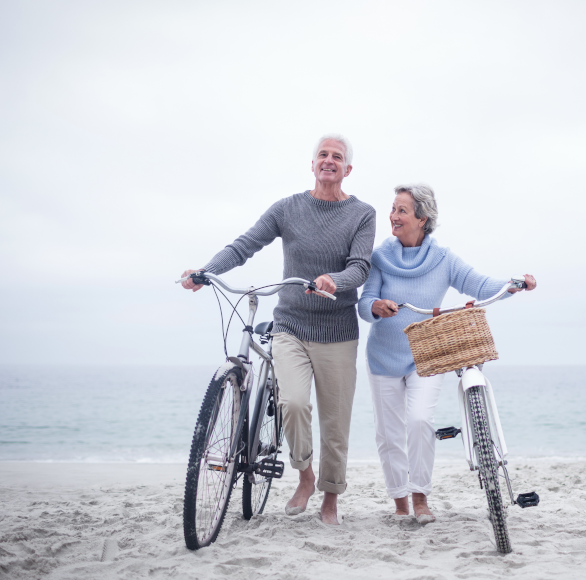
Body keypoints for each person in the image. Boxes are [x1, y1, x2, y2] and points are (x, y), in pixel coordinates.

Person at [180, 134, 376, 525]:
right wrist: (207, 271)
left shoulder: (362, 214)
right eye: (323, 154)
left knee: (335, 425)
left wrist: (334, 280)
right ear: (313, 163)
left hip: (338, 331)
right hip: (291, 325)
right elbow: (244, 245)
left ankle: (330, 500)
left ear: (347, 169)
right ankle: (304, 476)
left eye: (337, 157)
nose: (329, 161)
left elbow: (360, 267)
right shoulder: (288, 208)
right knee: (293, 404)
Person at [358, 184, 536, 523]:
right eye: (393, 209)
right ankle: (399, 502)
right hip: (383, 357)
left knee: (421, 421)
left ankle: (420, 497)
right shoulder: (380, 257)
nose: (393, 216)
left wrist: (513, 285)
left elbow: (480, 285)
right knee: (389, 433)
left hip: (426, 358)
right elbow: (365, 302)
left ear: (423, 219)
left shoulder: (442, 258)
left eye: (402, 210)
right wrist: (377, 307)